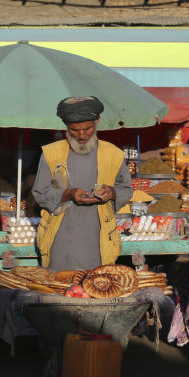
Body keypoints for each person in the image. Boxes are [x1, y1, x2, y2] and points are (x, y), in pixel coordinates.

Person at [32, 96, 133, 271]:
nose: (81, 135)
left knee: (96, 287)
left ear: (97, 121)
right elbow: (40, 193)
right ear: (65, 125)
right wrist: (67, 194)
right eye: (74, 130)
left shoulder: (113, 154)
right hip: (60, 241)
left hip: (99, 241)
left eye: (87, 128)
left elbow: (125, 188)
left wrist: (112, 192)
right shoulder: (51, 153)